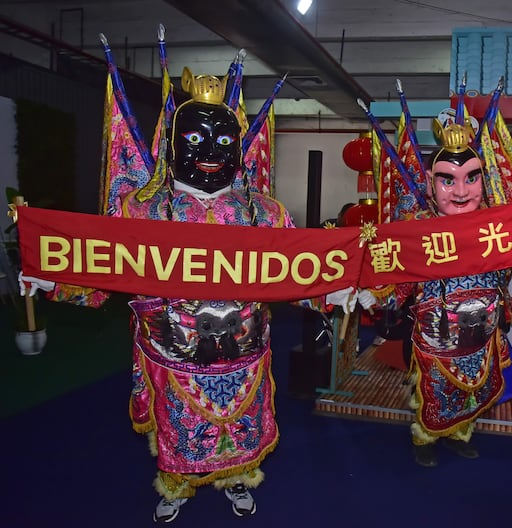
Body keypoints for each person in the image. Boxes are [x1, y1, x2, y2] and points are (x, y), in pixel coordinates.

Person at [19, 58, 353, 522]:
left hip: (245, 354)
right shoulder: (142, 211)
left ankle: (240, 477)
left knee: (242, 427)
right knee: (180, 429)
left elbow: (301, 271)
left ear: (240, 147)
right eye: (194, 139)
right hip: (175, 356)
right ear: (172, 146)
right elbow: (99, 268)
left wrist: (334, 285)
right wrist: (50, 268)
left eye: (224, 139)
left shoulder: (265, 214)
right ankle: (175, 485)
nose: (210, 150)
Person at [362, 124, 512, 467]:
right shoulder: (418, 229)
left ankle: (460, 432)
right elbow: (398, 278)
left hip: (481, 336)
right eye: (447, 180)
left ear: (484, 179)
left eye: (471, 178)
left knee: (472, 392)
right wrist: (377, 295)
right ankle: (424, 436)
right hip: (436, 338)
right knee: (435, 394)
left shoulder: (495, 226)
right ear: (429, 181)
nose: (461, 191)